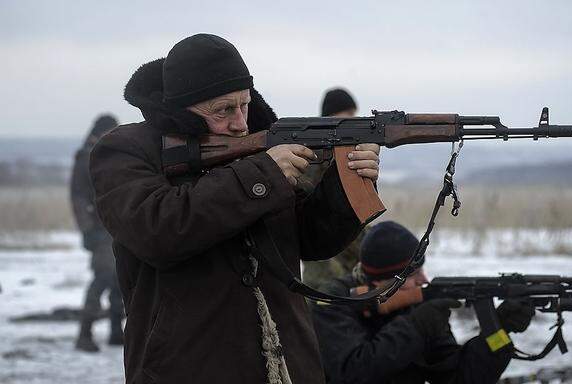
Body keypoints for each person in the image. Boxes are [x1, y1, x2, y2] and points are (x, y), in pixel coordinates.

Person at [89, 34, 380, 383]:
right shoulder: (127, 150)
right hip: (186, 366)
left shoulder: (256, 146)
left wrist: (346, 183)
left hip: (285, 362)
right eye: (224, 109)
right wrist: (262, 175)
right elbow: (156, 230)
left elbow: (309, 240)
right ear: (182, 107)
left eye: (245, 105)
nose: (241, 122)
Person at [312, 221, 535, 384]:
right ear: (384, 279)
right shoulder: (335, 300)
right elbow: (350, 373)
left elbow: (459, 379)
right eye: (414, 274)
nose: (424, 280)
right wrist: (416, 327)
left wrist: (499, 332)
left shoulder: (417, 304)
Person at [70, 114, 124, 352]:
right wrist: (88, 230)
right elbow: (78, 197)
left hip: (114, 228)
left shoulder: (106, 154)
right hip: (99, 231)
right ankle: (85, 334)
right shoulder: (86, 158)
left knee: (118, 280)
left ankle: (115, 332)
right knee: (103, 278)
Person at [302, 87, 362, 290]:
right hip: (322, 263)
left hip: (342, 251)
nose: (354, 120)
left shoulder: (337, 149)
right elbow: (308, 199)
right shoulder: (314, 151)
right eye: (348, 115)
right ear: (331, 116)